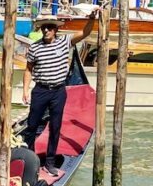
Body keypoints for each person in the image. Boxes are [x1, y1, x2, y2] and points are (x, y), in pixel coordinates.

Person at [20, 11, 99, 174]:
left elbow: (85, 33)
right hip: (40, 90)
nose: (46, 31)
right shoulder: (34, 48)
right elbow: (28, 70)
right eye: (44, 28)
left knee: (55, 127)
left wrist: (91, 19)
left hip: (58, 91)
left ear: (55, 30)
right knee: (32, 126)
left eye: (49, 28)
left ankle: (49, 163)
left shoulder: (64, 42)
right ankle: (30, 160)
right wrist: (25, 90)